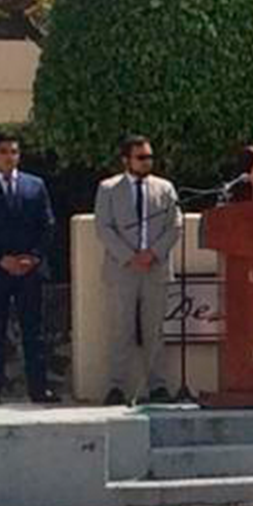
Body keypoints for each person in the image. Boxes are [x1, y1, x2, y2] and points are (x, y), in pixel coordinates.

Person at [0, 132, 57, 405]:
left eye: (14, 152)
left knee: (34, 332)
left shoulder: (35, 186)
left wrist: (34, 257)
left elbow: (47, 225)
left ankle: (39, 389)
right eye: (3, 151)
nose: (9, 157)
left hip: (30, 270)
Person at [92, 134, 181, 406]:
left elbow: (175, 225)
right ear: (126, 160)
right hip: (123, 269)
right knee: (122, 329)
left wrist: (152, 253)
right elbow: (103, 227)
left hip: (155, 268)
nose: (147, 162)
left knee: (155, 330)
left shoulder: (165, 188)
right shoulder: (108, 189)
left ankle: (158, 386)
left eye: (150, 157)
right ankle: (117, 387)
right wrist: (130, 256)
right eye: (141, 157)